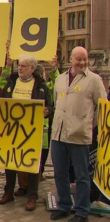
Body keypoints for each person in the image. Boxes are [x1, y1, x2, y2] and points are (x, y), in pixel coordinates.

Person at [50, 47, 107, 222]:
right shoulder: (60, 79)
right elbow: (56, 101)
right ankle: (64, 205)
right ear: (71, 59)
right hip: (58, 134)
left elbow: (102, 107)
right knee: (60, 173)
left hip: (80, 135)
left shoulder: (94, 80)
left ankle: (82, 211)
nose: (82, 63)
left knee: (82, 176)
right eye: (78, 59)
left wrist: (88, 125)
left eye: (85, 59)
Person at [0, 55, 52, 211]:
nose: (20, 68)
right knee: (10, 163)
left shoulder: (41, 86)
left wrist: (47, 111)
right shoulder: (11, 82)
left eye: (24, 66)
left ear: (32, 68)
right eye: (19, 65)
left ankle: (32, 196)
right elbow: (3, 102)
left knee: (32, 165)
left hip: (31, 131)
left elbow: (50, 106)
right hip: (11, 130)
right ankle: (8, 192)